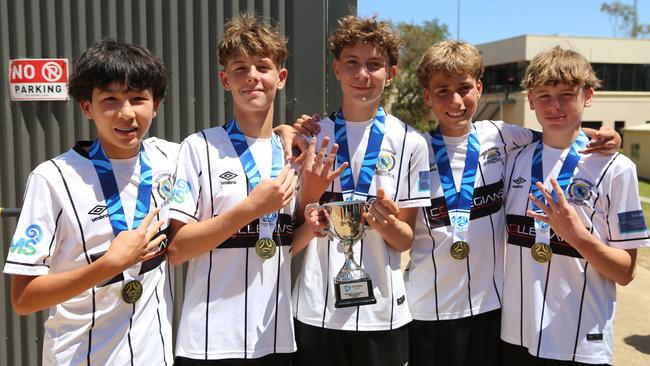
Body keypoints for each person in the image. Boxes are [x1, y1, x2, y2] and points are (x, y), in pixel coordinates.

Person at [291, 39, 620, 366]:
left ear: (478, 88)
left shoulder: (504, 137)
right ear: (428, 97)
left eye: (464, 88)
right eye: (443, 91)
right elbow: (404, 229)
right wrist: (287, 130)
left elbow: (557, 138)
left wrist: (604, 135)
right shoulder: (415, 146)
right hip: (424, 308)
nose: (456, 101)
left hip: (489, 308)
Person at [166, 13, 342, 366]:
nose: (252, 77)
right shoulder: (198, 148)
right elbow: (178, 249)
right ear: (225, 80)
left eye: (262, 67)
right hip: (208, 343)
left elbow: (279, 247)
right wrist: (251, 208)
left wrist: (313, 221)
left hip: (274, 339)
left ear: (281, 76)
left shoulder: (293, 153)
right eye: (239, 68)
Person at [3, 39, 176, 366]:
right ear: (87, 107)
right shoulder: (52, 179)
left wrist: (283, 132)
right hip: (79, 357)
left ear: (154, 105)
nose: (126, 113)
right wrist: (110, 265)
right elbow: (23, 299)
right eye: (110, 99)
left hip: (155, 356)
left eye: (138, 98)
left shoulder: (173, 159)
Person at [291, 15, 431, 366]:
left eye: (374, 65)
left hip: (383, 313)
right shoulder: (310, 137)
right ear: (337, 69)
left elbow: (405, 240)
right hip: (316, 308)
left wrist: (385, 224)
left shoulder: (411, 143)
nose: (362, 75)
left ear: (391, 73)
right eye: (352, 63)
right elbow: (291, 228)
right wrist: (311, 209)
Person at [501, 46, 649, 366]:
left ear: (588, 96)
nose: (555, 106)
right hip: (516, 336)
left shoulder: (619, 169)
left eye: (567, 94)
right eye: (543, 96)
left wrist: (576, 235)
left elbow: (625, 272)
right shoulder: (514, 160)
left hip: (581, 342)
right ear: (530, 101)